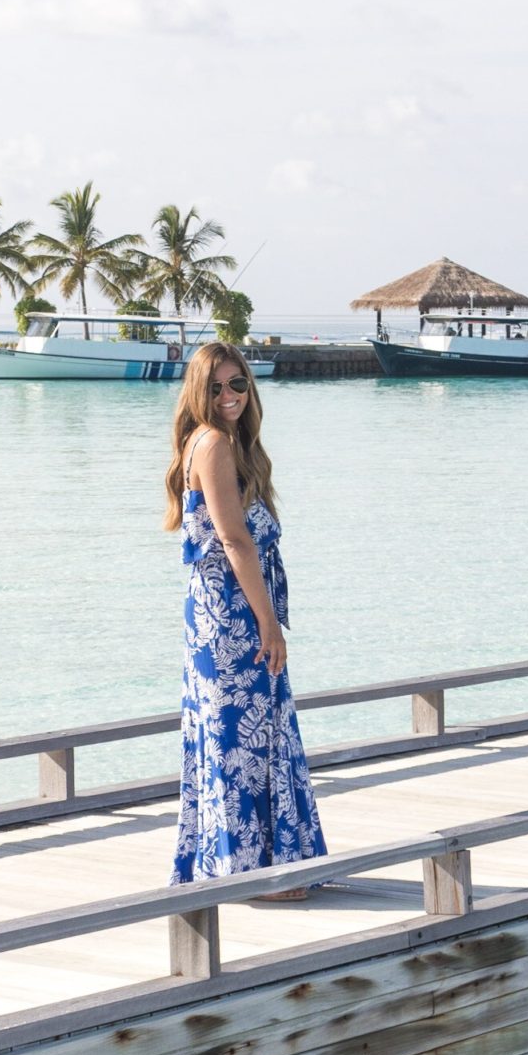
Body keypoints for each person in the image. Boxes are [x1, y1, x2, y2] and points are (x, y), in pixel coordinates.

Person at [164, 340, 327, 897]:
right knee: (240, 739)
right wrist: (268, 622)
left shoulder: (224, 441)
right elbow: (234, 541)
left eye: (238, 384)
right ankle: (254, 874)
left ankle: (260, 866)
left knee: (250, 733)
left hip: (229, 607)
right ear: (199, 393)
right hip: (230, 614)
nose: (230, 395)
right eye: (217, 387)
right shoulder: (211, 445)